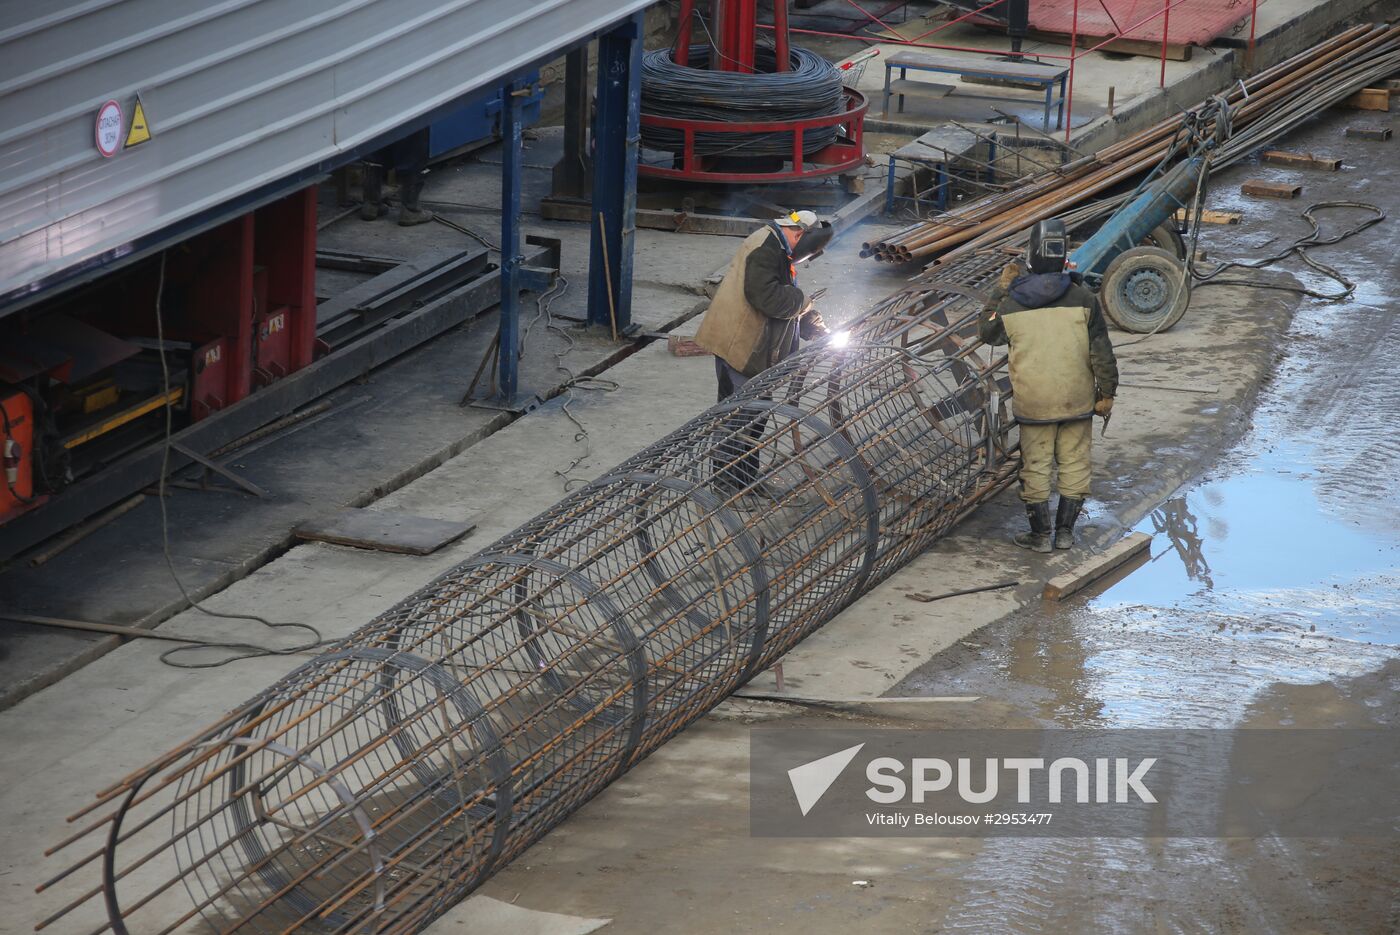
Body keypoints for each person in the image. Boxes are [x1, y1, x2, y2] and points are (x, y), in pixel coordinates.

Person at [978, 218, 1118, 552]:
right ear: (1062, 256)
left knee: (1037, 465)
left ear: (1030, 257)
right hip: (1076, 399)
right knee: (1074, 463)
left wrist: (1000, 289)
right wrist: (1107, 393)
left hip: (1034, 400)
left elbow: (987, 332)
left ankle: (1040, 536)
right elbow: (1101, 350)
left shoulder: (1011, 304)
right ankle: (1066, 534)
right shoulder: (1084, 298)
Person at [693, 211, 833, 495]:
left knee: (755, 419)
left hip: (759, 351)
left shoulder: (780, 246)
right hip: (740, 347)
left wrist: (817, 328)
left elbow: (788, 295)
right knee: (736, 419)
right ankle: (723, 484)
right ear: (798, 233)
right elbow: (768, 298)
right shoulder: (765, 249)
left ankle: (745, 480)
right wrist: (803, 302)